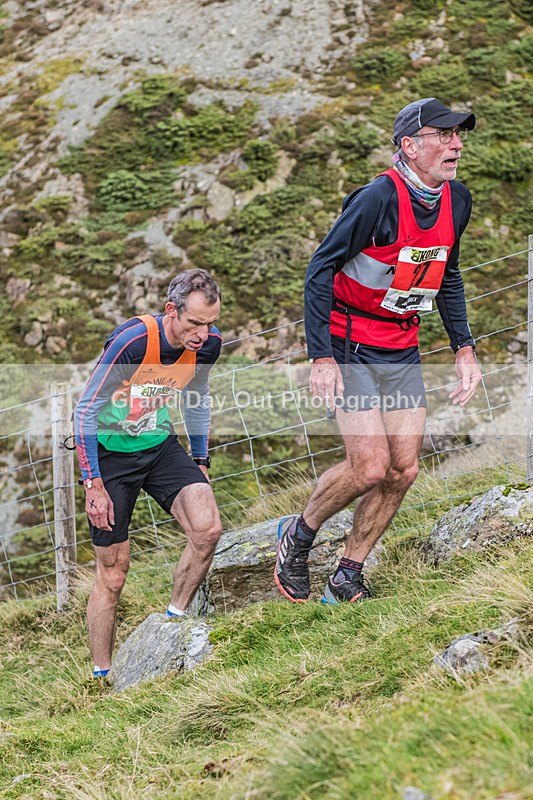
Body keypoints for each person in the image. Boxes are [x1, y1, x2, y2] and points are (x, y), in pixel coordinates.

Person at [275, 97, 482, 605]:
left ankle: (348, 573)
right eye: (443, 135)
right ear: (409, 146)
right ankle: (298, 535)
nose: (456, 144)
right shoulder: (376, 199)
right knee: (369, 466)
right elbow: (319, 270)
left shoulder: (458, 200)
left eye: (459, 136)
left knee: (403, 468)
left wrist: (464, 348)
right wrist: (320, 356)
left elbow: (446, 274)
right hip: (349, 344)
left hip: (401, 345)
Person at [75, 268, 223, 677]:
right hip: (110, 459)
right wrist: (93, 484)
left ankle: (171, 625)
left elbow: (196, 399)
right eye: (194, 323)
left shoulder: (207, 346)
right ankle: (101, 675)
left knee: (207, 528)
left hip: (158, 446)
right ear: (171, 310)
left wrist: (200, 460)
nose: (202, 334)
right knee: (114, 572)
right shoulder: (135, 341)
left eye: (210, 324)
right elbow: (86, 410)